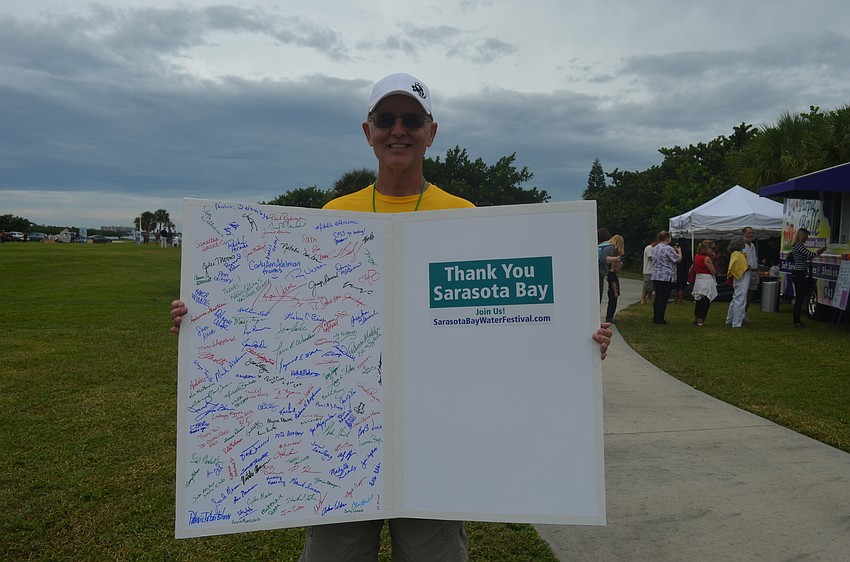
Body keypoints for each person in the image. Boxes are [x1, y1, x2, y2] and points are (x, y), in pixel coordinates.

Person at [169, 72, 613, 562]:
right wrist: (208, 319)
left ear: (432, 131)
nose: (398, 130)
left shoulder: (463, 215)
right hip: (342, 432)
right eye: (386, 119)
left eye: (412, 120)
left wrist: (574, 341)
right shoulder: (335, 214)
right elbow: (296, 315)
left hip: (437, 432)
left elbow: (499, 328)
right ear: (368, 131)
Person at [790, 227, 827, 327]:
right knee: (800, 297)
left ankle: (796, 320)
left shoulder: (796, 246)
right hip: (799, 273)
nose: (807, 238)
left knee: (800, 297)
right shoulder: (799, 246)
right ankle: (796, 320)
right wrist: (822, 250)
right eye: (806, 236)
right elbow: (811, 254)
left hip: (799, 272)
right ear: (802, 236)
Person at [650, 230, 682, 324]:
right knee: (664, 298)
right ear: (667, 238)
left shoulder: (655, 248)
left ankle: (655, 317)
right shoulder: (668, 248)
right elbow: (678, 259)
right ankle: (660, 318)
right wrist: (679, 252)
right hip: (666, 276)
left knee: (658, 297)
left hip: (656, 275)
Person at [691, 240, 718, 326]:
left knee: (699, 301)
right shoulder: (706, 259)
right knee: (705, 302)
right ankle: (701, 321)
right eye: (712, 248)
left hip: (699, 279)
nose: (713, 251)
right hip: (706, 280)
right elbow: (713, 271)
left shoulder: (697, 256)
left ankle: (697, 319)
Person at [725, 235, 749, 328]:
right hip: (741, 279)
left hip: (738, 278)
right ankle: (736, 322)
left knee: (736, 299)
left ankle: (730, 319)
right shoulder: (738, 254)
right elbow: (744, 267)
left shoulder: (735, 253)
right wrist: (749, 267)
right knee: (740, 300)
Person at [597, 228, 621, 301]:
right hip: (600, 272)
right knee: (599, 296)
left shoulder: (599, 246)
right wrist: (616, 258)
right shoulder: (609, 247)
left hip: (597, 272)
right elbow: (603, 259)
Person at [741, 226, 759, 321]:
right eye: (749, 233)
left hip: (754, 272)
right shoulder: (742, 245)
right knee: (744, 294)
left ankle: (745, 312)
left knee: (750, 294)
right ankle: (740, 313)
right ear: (744, 233)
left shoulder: (752, 245)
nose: (751, 234)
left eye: (752, 233)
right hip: (746, 272)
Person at [605, 235, 624, 323]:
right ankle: (609, 317)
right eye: (619, 268)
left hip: (614, 292)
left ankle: (610, 316)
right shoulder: (612, 274)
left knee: (613, 304)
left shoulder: (613, 274)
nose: (619, 270)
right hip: (613, 292)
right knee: (612, 304)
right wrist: (615, 292)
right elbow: (613, 283)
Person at [673, 237, 691, 304]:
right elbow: (690, 260)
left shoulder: (676, 250)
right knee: (681, 286)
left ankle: (675, 299)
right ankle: (681, 300)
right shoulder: (688, 250)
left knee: (676, 286)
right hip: (684, 268)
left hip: (677, 268)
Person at [641, 239, 657, 304]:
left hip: (653, 271)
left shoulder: (655, 249)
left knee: (651, 287)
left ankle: (649, 299)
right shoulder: (648, 248)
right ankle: (643, 299)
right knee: (646, 286)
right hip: (648, 270)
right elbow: (651, 258)